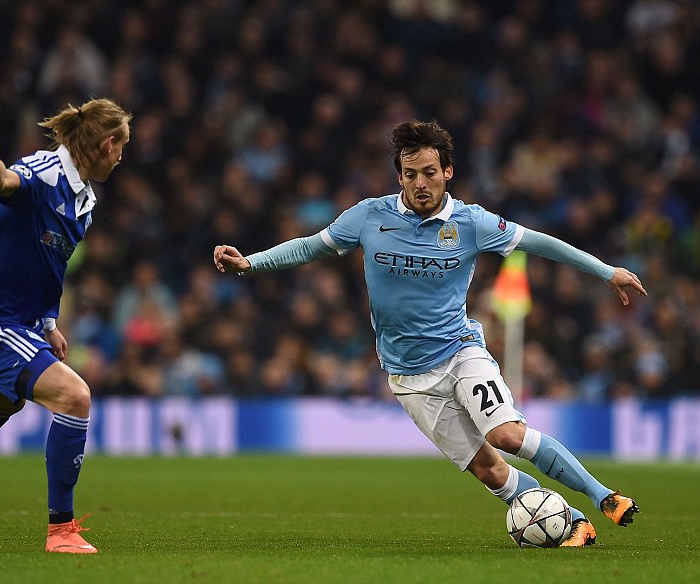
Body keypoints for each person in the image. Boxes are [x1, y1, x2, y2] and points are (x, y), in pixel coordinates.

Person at [213, 119, 645, 547]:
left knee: (506, 436)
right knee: (490, 470)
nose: (420, 183)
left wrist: (606, 272)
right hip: (408, 377)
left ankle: (603, 496)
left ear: (447, 172)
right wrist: (251, 263)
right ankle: (572, 522)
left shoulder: (472, 222)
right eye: (410, 174)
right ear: (399, 177)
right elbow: (310, 246)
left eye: (429, 172)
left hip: (460, 352)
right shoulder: (369, 216)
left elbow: (540, 243)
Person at [0, 98, 131, 553]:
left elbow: (49, 266)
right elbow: (3, 182)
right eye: (121, 148)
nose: (120, 158)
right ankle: (61, 530)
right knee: (75, 396)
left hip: (21, 320)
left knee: (5, 399)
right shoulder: (44, 172)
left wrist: (49, 322)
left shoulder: (84, 201)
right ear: (108, 143)